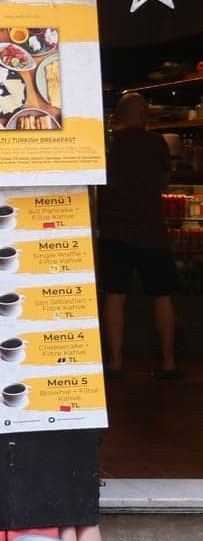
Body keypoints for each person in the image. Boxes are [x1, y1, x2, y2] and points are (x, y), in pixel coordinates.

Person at [97, 92, 180, 380]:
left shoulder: (107, 143)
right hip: (151, 230)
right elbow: (164, 181)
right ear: (143, 115)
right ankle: (168, 363)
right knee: (162, 295)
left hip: (114, 230)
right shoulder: (155, 143)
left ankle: (116, 363)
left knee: (115, 295)